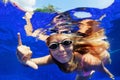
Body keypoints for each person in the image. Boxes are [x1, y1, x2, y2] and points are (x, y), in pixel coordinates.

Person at [17, 31, 114, 80]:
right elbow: (27, 63)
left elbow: (104, 70)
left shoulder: (90, 61)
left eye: (66, 43)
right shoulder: (53, 58)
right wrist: (23, 59)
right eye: (54, 46)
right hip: (82, 74)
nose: (61, 50)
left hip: (95, 62)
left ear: (72, 45)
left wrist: (111, 76)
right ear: (50, 50)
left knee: (107, 59)